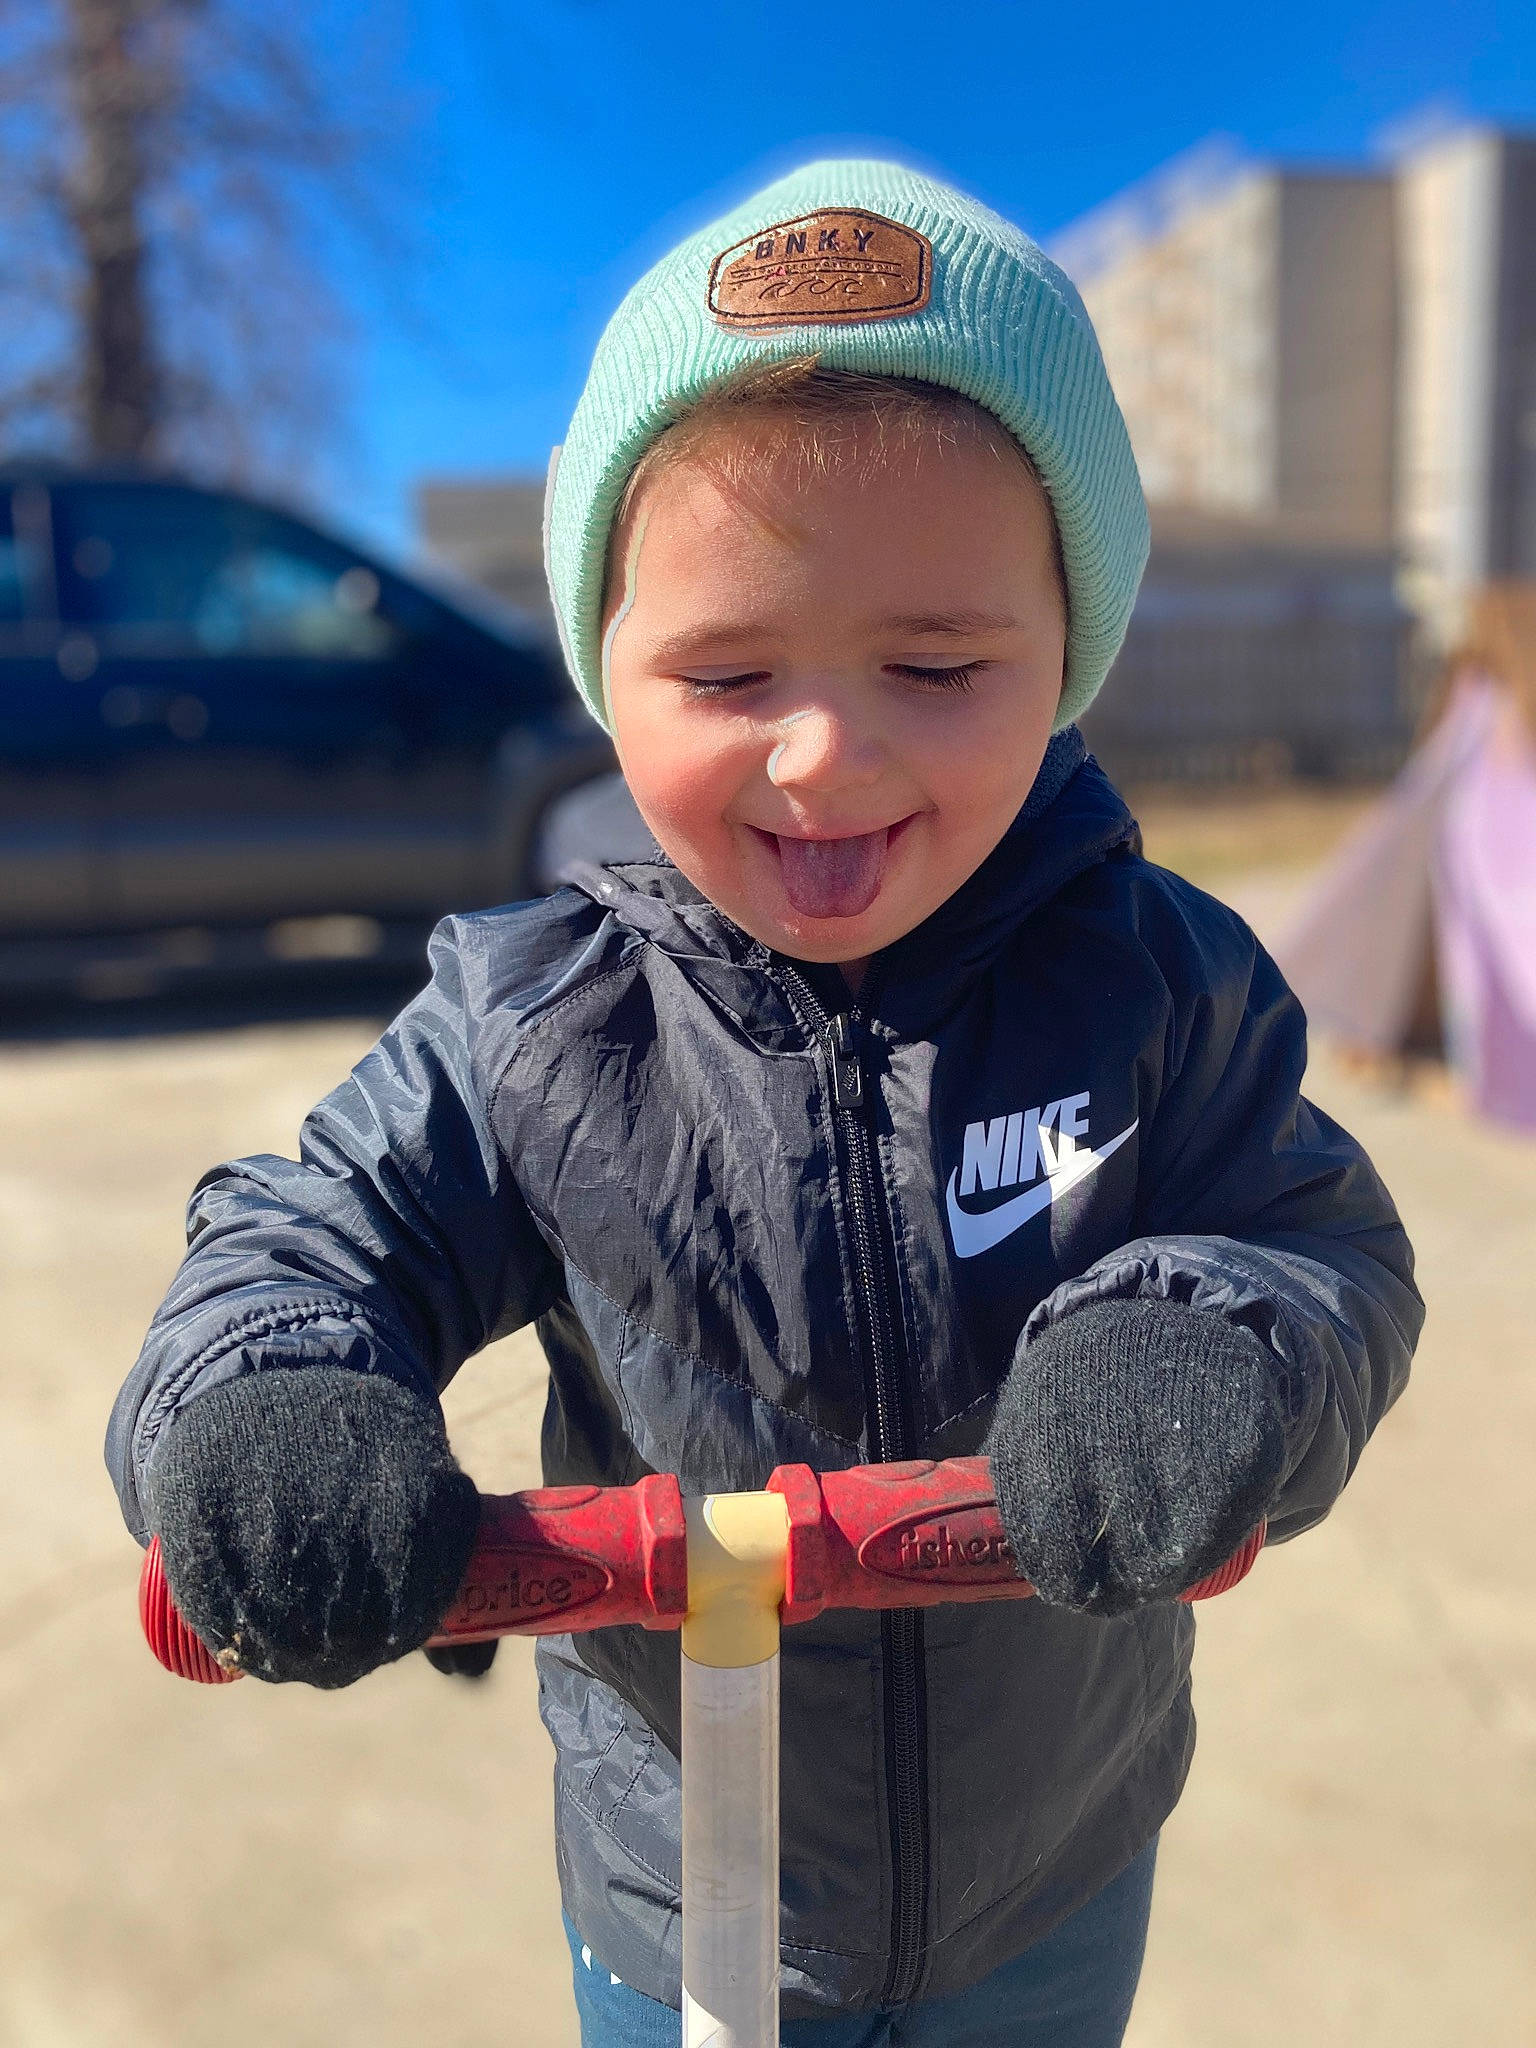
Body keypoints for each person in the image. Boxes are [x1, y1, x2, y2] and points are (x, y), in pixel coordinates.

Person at [106, 162, 1422, 2047]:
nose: (824, 750)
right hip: (682, 1891)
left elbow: (1318, 1235)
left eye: (939, 666)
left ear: (1070, 655)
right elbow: (305, 1234)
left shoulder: (1159, 979)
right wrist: (277, 1392)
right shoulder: (537, 1015)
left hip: (1048, 1863)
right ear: (605, 671)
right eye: (727, 672)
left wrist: (1205, 1339)